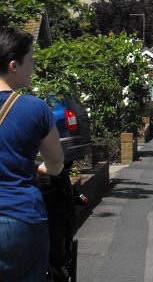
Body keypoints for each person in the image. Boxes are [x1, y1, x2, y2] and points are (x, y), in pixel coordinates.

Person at [0, 27, 64, 281]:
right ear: (13, 65)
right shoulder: (34, 109)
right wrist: (44, 170)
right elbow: (56, 162)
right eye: (31, 61)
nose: (34, 67)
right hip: (19, 217)